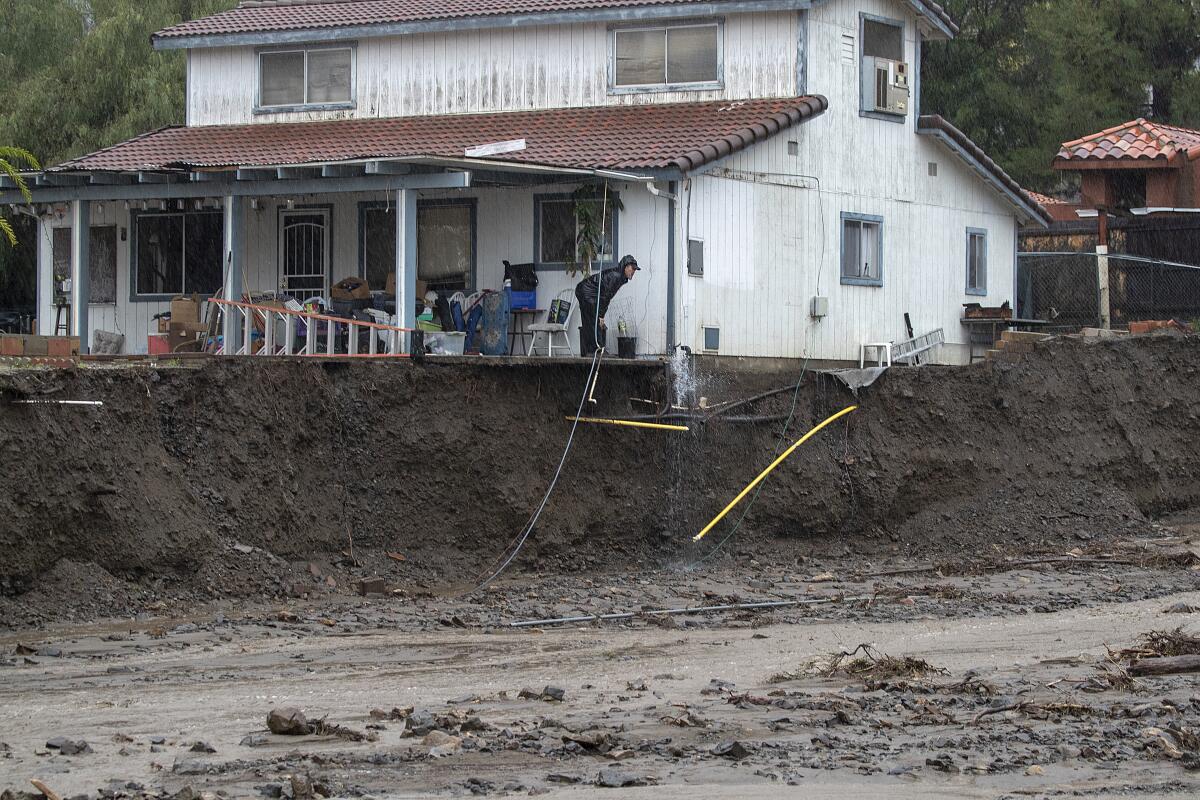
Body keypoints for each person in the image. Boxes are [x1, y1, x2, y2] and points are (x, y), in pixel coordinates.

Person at [575, 254, 639, 356]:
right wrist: (601, 315)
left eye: (635, 270)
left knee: (590, 321)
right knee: (593, 320)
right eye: (633, 269)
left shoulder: (619, 276)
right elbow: (605, 297)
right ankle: (596, 350)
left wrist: (601, 315)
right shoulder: (616, 276)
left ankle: (592, 350)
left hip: (586, 291)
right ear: (626, 267)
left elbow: (605, 296)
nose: (634, 272)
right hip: (586, 291)